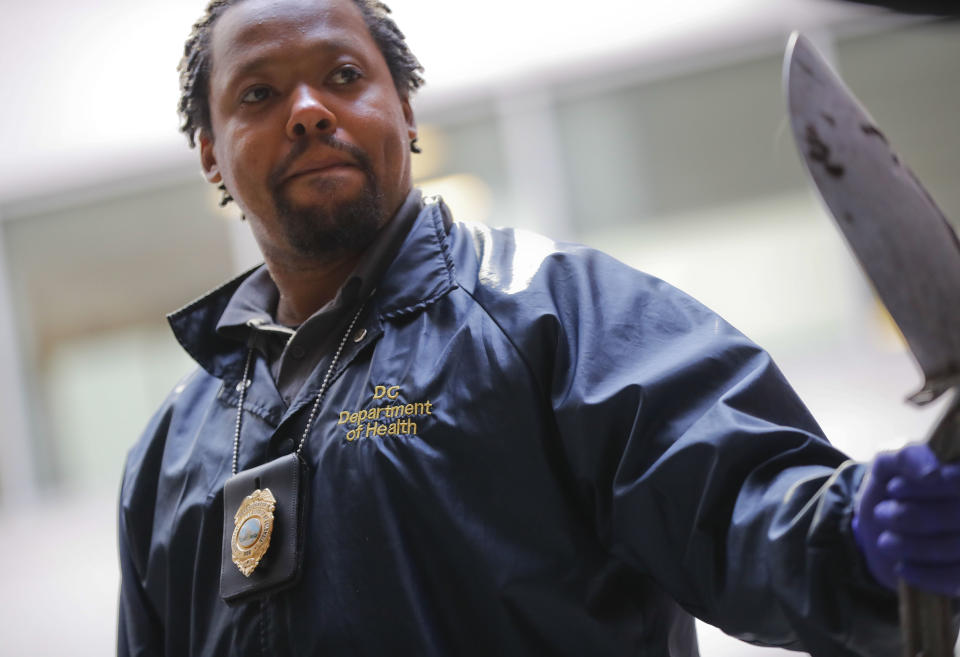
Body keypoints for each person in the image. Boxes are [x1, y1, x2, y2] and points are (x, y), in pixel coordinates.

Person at [117, 0, 960, 655]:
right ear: (210, 152)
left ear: (405, 110)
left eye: (343, 77)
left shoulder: (556, 315)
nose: (307, 111)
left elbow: (735, 496)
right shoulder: (169, 454)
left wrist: (850, 532)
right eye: (259, 93)